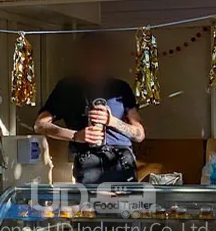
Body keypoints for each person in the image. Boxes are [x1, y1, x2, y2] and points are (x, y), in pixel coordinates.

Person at [34, 33, 145, 184]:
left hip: (122, 161)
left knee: (124, 207)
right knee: (90, 206)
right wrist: (75, 136)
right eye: (88, 55)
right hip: (87, 159)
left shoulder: (120, 88)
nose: (94, 60)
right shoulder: (67, 88)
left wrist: (111, 121)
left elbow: (139, 134)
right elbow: (40, 125)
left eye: (99, 55)